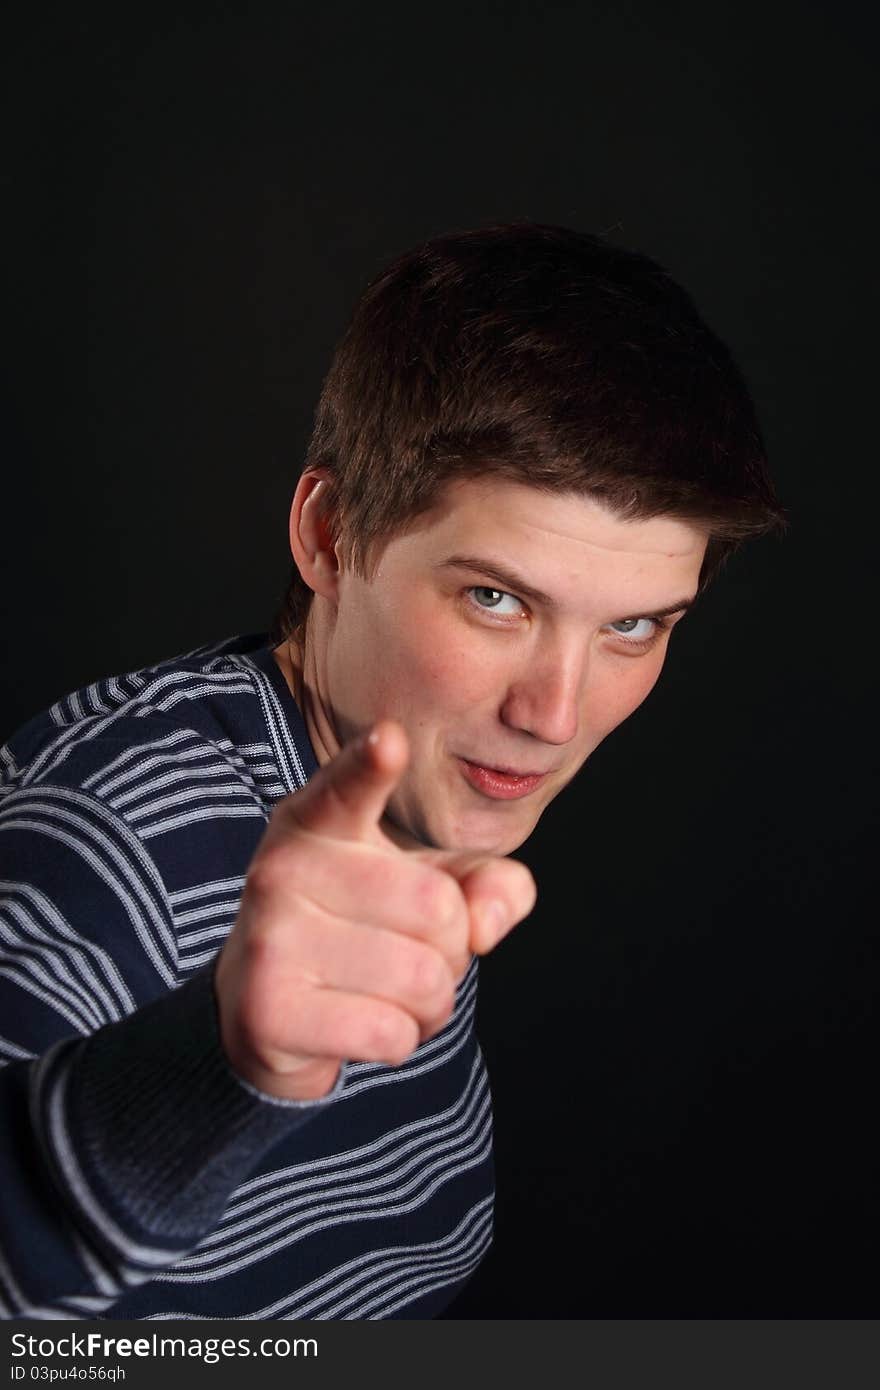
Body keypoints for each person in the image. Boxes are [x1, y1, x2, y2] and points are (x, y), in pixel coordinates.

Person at [0, 223, 785, 1320]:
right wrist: (216, 1067)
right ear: (328, 536)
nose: (553, 713)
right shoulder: (105, 833)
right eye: (495, 599)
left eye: (636, 626)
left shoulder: (421, 810)